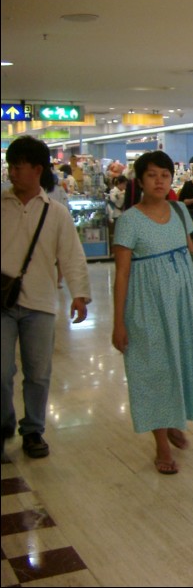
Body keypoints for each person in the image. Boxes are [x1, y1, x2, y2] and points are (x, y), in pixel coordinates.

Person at [112, 150, 193, 475]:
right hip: (147, 305)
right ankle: (161, 445)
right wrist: (118, 322)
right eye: (152, 175)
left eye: (165, 175)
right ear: (140, 180)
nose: (159, 181)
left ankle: (171, 419)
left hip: (183, 302)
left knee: (184, 362)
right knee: (153, 369)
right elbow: (123, 274)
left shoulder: (180, 210)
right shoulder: (128, 220)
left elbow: (191, 257)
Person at [1, 136, 91, 462]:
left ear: (37, 169)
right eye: (10, 166)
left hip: (40, 302)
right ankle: (3, 425)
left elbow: (71, 255)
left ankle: (33, 429)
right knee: (1, 371)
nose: (12, 172)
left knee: (38, 372)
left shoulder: (56, 213)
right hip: (2, 303)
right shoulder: (2, 205)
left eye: (18, 166)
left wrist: (79, 295)